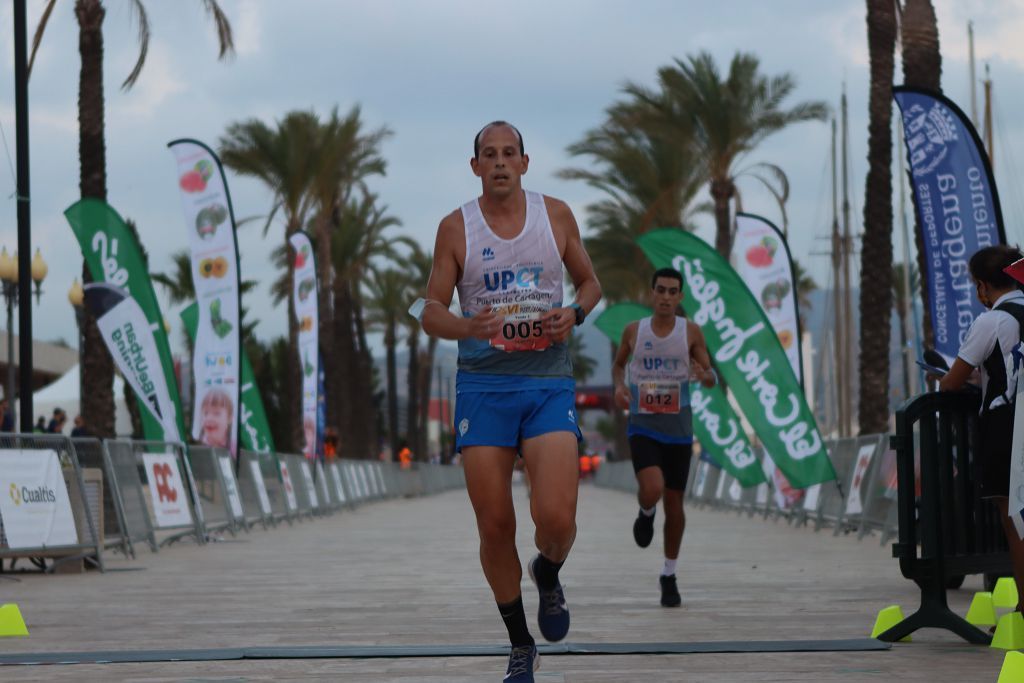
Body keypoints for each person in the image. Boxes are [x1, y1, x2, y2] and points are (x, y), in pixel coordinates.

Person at [420, 121, 601, 682]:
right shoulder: (456, 228)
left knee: (557, 518)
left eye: (509, 154)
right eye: (488, 155)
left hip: (546, 382)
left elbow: (591, 285)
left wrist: (573, 313)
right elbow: (429, 310)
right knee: (495, 524)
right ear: (475, 166)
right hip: (484, 388)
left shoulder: (558, 216)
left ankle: (547, 571)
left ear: (525, 162)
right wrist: (465, 327)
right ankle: (521, 644)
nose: (500, 162)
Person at [612, 267, 717, 608]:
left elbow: (710, 374)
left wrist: (704, 375)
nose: (667, 297)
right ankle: (645, 512)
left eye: (674, 292)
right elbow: (618, 365)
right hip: (643, 424)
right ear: (651, 293)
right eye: (662, 290)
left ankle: (669, 574)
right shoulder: (634, 331)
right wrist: (618, 387)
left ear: (680, 297)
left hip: (679, 431)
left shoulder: (691, 333)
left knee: (675, 506)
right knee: (653, 488)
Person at [938, 245, 1024, 609]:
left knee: (1015, 519)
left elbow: (951, 382)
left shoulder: (992, 321)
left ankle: (1023, 609)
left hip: (1007, 426)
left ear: (981, 286)